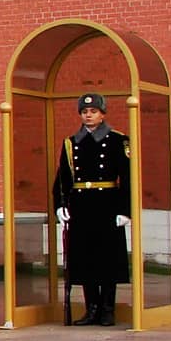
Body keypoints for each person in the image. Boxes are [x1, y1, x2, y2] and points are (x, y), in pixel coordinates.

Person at [53, 91, 131, 327]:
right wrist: (59, 205)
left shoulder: (118, 140)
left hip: (107, 204)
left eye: (93, 111)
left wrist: (125, 210)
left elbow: (127, 177)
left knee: (106, 259)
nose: (89, 116)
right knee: (85, 259)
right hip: (82, 205)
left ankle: (107, 310)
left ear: (102, 114)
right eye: (85, 112)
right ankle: (91, 309)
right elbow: (63, 178)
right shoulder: (71, 143)